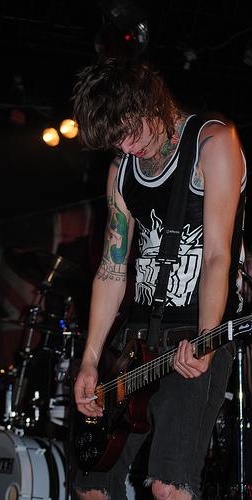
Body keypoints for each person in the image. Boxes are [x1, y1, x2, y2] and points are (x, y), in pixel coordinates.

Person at [71, 57, 247, 500]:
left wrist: (207, 338)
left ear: (150, 101)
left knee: (169, 486)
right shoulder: (121, 170)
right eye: (117, 141)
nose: (126, 147)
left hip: (195, 332)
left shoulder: (213, 143)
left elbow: (217, 256)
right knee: (93, 486)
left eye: (129, 132)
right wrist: (91, 360)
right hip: (136, 342)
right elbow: (112, 269)